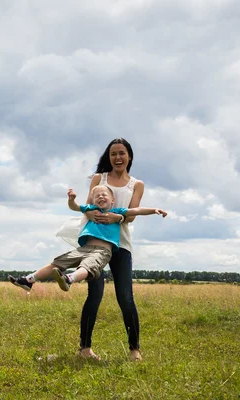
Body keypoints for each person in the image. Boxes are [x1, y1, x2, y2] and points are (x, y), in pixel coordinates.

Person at [9, 185, 166, 293]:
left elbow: (137, 210)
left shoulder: (118, 211)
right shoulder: (91, 209)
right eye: (97, 196)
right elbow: (74, 207)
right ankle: (28, 280)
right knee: (57, 262)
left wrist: (154, 210)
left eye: (104, 195)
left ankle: (69, 279)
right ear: (93, 200)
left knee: (87, 266)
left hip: (102, 251)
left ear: (112, 200)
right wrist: (71, 199)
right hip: (84, 249)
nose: (100, 197)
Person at [74, 137, 145, 362]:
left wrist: (119, 216)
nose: (118, 157)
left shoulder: (137, 184)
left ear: (129, 156)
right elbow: (87, 208)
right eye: (113, 153)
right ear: (109, 156)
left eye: (122, 153)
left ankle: (135, 350)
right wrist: (92, 213)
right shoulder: (99, 179)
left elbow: (131, 216)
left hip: (121, 244)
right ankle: (85, 349)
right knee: (94, 295)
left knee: (125, 297)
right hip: (95, 244)